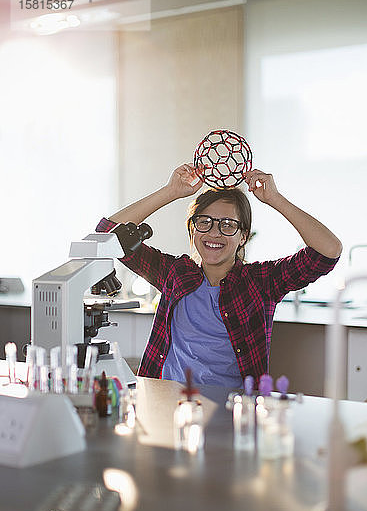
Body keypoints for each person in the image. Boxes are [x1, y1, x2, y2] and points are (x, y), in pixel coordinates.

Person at [96, 164, 342, 387]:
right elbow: (107, 234)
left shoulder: (261, 282)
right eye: (205, 222)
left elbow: (328, 251)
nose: (214, 233)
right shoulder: (175, 274)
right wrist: (170, 192)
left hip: (233, 410)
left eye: (228, 224)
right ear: (193, 230)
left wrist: (275, 199)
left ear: (243, 236)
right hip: (167, 400)